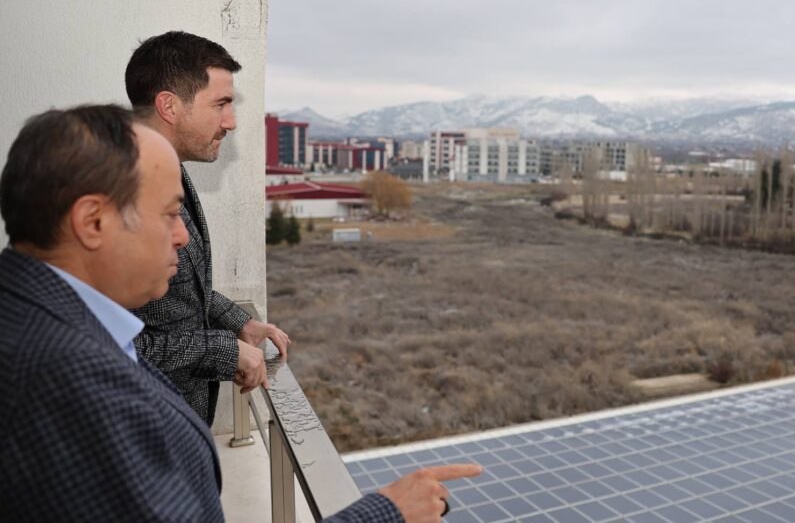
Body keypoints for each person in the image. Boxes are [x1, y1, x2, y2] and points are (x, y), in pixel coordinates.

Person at [0, 105, 480, 521]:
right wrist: (386, 514)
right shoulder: (68, 387)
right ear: (93, 221)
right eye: (169, 214)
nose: (182, 235)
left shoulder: (36, 315)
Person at [125, 30, 285, 425]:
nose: (230, 122)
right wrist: (220, 350)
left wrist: (239, 322)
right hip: (145, 435)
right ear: (169, 105)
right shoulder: (124, 190)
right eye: (221, 104)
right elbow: (106, 345)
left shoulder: (168, 169)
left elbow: (180, 290)